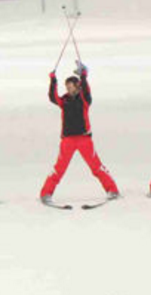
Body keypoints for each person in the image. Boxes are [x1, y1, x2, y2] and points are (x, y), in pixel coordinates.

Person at [40, 62, 120, 203]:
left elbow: (87, 91)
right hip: (68, 141)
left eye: (71, 87)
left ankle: (112, 190)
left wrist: (83, 76)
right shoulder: (64, 100)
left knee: (96, 166)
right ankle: (46, 193)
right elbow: (53, 97)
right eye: (67, 87)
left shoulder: (84, 99)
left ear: (77, 86)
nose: (68, 89)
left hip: (84, 139)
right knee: (59, 168)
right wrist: (53, 80)